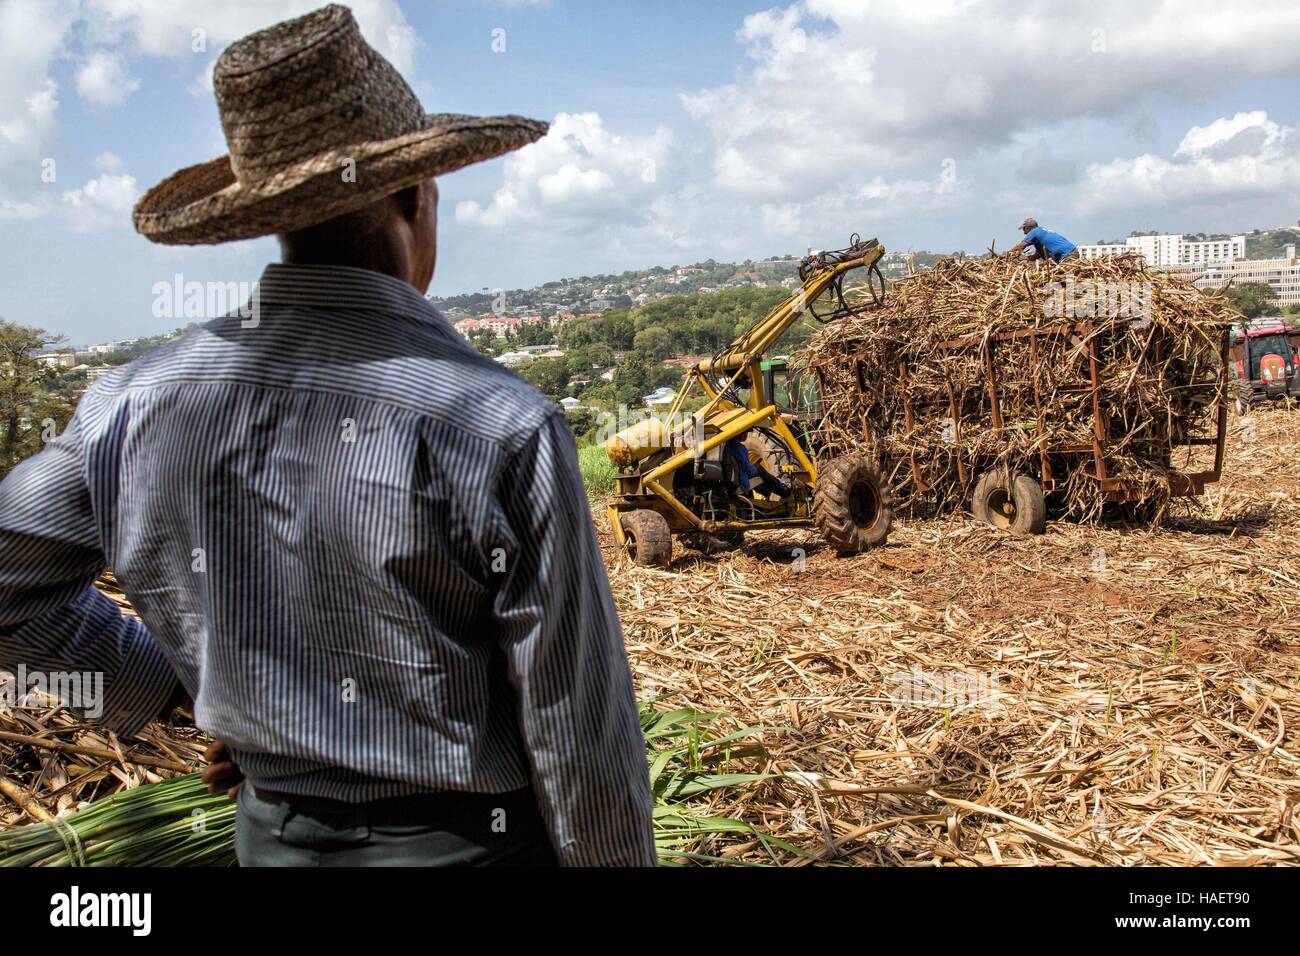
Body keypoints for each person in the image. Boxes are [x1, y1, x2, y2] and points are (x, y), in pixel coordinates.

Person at [0, 5, 656, 867]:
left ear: (272, 219)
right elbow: (578, 731)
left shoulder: (128, 404)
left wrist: (177, 690)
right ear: (416, 196)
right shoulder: (498, 423)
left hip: (270, 841)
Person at [726, 432, 790, 500]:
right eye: (746, 432)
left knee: (755, 475)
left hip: (732, 483)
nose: (747, 435)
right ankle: (784, 492)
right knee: (758, 469)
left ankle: (767, 493)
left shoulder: (726, 446)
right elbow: (748, 470)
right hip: (741, 483)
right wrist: (756, 468)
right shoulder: (739, 448)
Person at [1007, 218, 1078, 263]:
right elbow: (1037, 255)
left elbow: (1021, 245)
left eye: (1024, 229)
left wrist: (1007, 254)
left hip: (1067, 255)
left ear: (1029, 227)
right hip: (1072, 252)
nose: (1024, 233)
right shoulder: (1042, 233)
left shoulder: (1034, 231)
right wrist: (1024, 260)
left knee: (1068, 281)